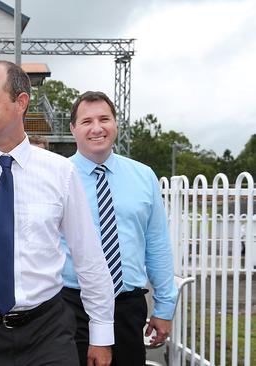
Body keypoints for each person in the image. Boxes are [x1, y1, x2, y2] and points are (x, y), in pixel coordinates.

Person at [0, 60, 115, 366]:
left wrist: (101, 334)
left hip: (47, 334)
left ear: (21, 103)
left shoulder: (60, 172)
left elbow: (88, 256)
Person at [61, 91, 177, 366]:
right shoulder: (56, 176)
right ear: (73, 129)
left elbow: (157, 244)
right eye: (87, 121)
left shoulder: (143, 176)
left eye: (104, 119)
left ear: (116, 124)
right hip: (69, 307)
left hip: (126, 307)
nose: (97, 128)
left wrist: (164, 308)